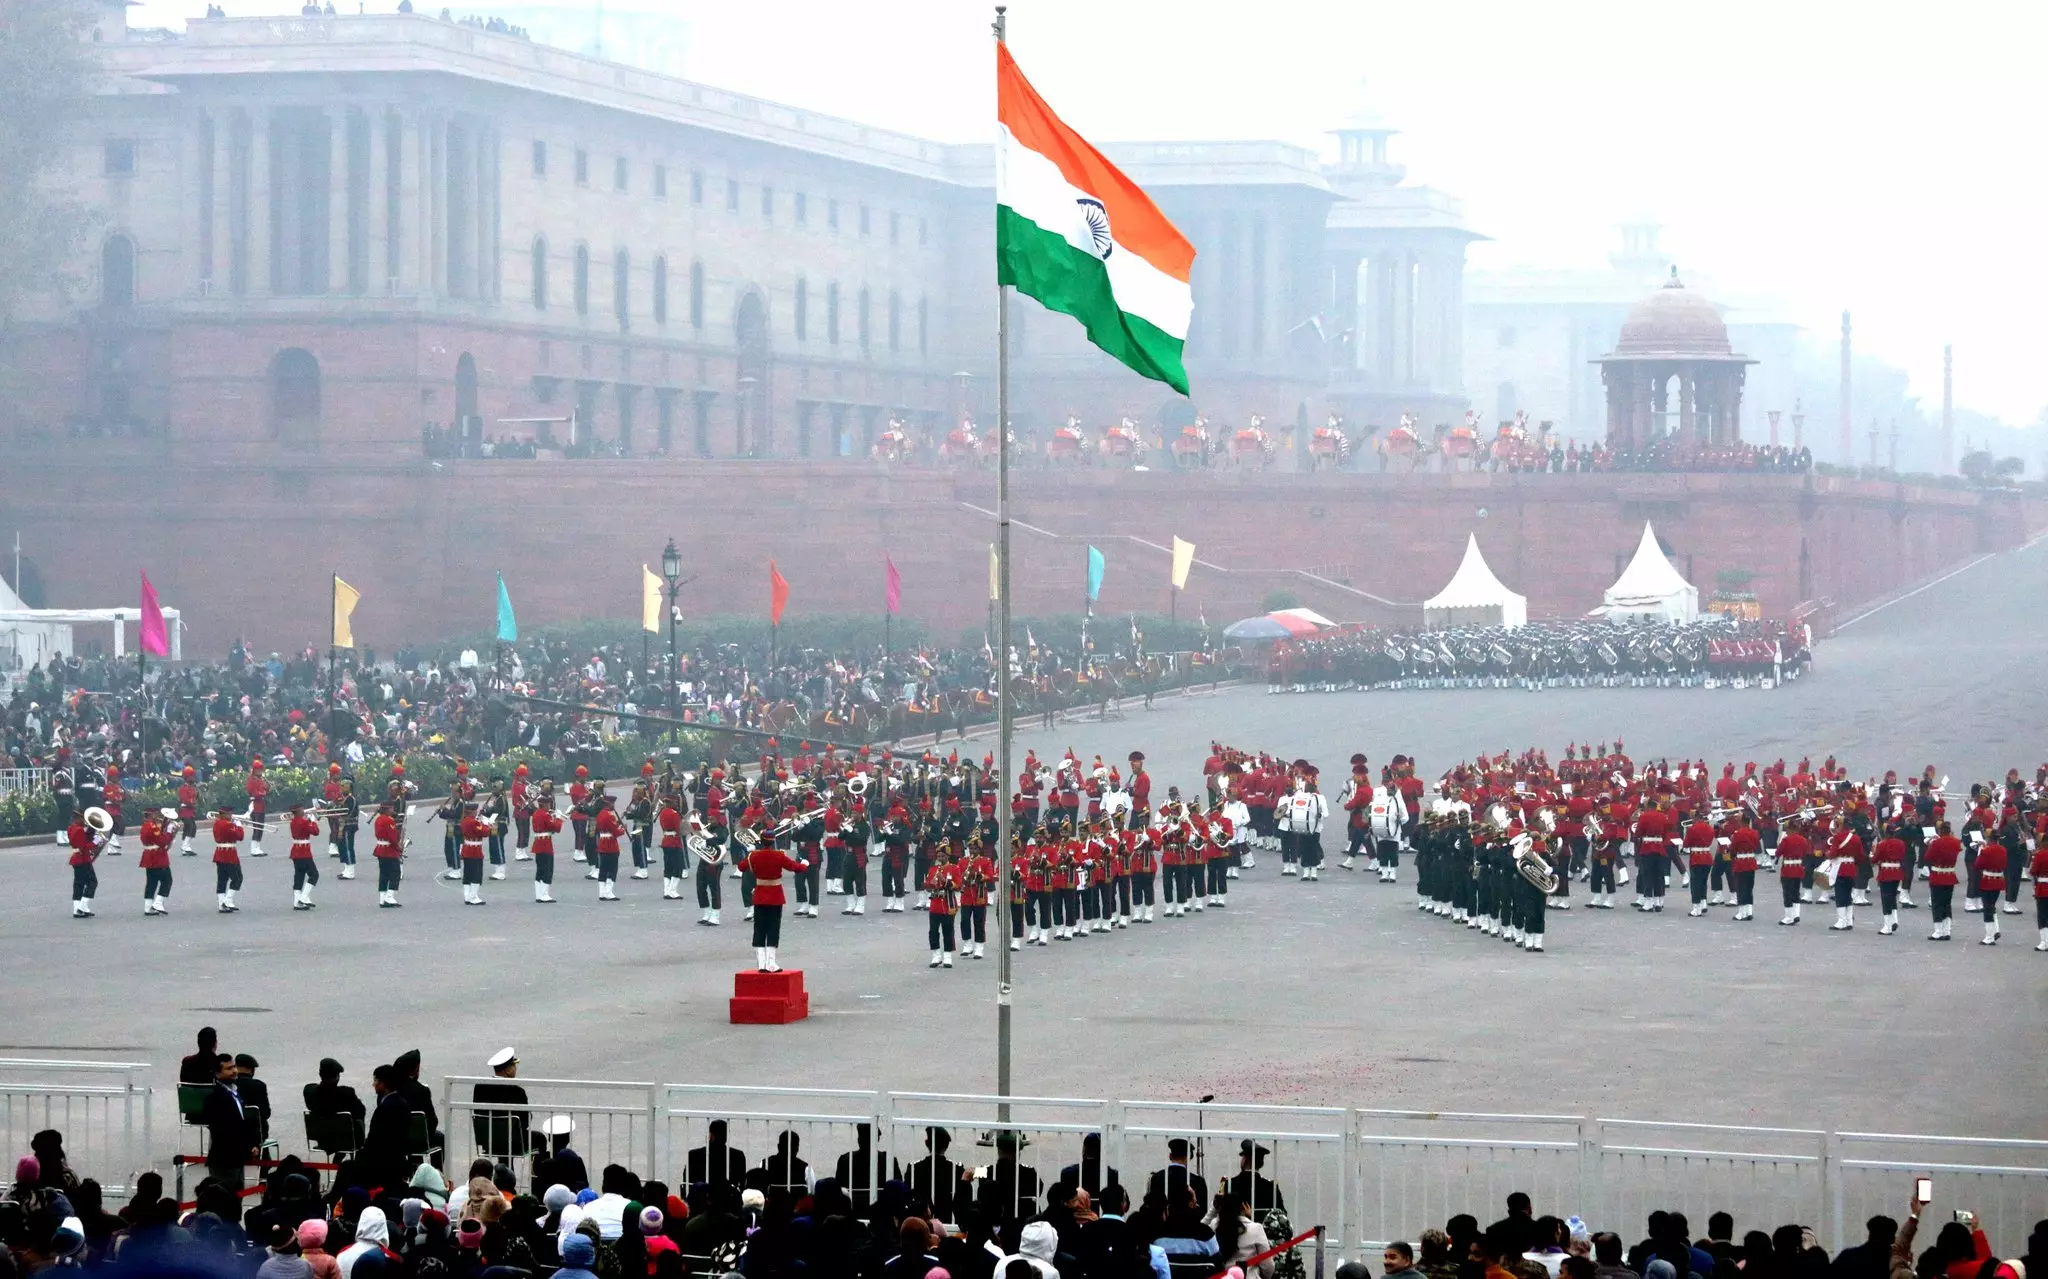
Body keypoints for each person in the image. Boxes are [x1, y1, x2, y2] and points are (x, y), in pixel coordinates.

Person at [738, 831, 809, 973]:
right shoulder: (779, 856)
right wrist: (805, 864)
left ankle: (761, 964)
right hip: (775, 895)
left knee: (759, 929)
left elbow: (741, 867)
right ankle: (771, 963)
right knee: (773, 928)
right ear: (773, 841)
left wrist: (750, 854)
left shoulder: (754, 856)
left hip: (759, 895)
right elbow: (795, 868)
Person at [202, 1052, 258, 1190]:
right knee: (224, 1199)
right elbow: (227, 1129)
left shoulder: (234, 1091)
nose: (234, 1071)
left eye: (234, 1067)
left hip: (237, 1158)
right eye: (228, 1069)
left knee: (237, 1198)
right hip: (224, 1158)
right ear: (216, 1073)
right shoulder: (215, 1098)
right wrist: (247, 1146)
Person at [473, 1047, 530, 1164]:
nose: (516, 1069)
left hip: (487, 1140)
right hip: (513, 1141)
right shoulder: (517, 1091)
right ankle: (538, 1180)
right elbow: (525, 1121)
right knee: (540, 1139)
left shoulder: (480, 1088)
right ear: (508, 1070)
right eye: (514, 1065)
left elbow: (478, 1112)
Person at [1145, 1137, 1208, 1215]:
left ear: (1170, 1156)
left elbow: (1152, 1208)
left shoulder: (1157, 1178)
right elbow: (1203, 1212)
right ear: (1189, 1158)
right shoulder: (1198, 1181)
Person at [1227, 1140, 1286, 1217]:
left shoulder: (1230, 1184)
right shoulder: (1271, 1187)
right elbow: (1282, 1215)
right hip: (1263, 1228)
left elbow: (1222, 1213)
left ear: (1245, 1160)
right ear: (1261, 1163)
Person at [685, 1119, 747, 1191]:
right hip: (729, 1198)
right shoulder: (738, 1156)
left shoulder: (694, 1155)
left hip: (701, 1199)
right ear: (727, 1136)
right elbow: (742, 1184)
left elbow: (687, 1183)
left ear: (710, 1135)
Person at [303, 1058, 366, 1122]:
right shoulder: (347, 1094)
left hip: (319, 1131)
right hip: (342, 1131)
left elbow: (312, 1086)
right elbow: (361, 1112)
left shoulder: (309, 1092)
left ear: (320, 1074)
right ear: (337, 1077)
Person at [139, 806, 174, 915]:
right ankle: (158, 903)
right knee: (167, 880)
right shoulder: (152, 826)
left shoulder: (145, 825)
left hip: (149, 856)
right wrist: (169, 832)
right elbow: (162, 841)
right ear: (151, 814)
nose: (158, 816)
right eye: (156, 814)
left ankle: (148, 907)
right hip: (157, 857)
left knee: (151, 882)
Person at [213, 805, 247, 913]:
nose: (231, 815)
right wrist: (239, 826)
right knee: (237, 878)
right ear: (223, 814)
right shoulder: (228, 824)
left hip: (219, 853)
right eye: (229, 814)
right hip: (229, 854)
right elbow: (240, 837)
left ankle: (221, 904)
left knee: (222, 879)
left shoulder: (216, 823)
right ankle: (227, 901)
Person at [288, 801, 322, 910]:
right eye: (302, 809)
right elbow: (316, 832)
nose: (304, 811)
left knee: (299, 876)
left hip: (296, 852)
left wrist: (308, 820)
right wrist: (312, 820)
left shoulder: (293, 821)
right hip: (304, 853)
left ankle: (297, 902)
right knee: (314, 875)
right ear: (298, 811)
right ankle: (303, 897)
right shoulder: (303, 822)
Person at [235, 1053, 273, 1145]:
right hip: (254, 1133)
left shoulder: (228, 1085)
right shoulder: (259, 1086)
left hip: (230, 1131)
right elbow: (265, 1113)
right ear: (251, 1070)